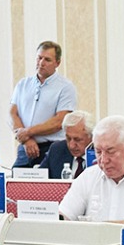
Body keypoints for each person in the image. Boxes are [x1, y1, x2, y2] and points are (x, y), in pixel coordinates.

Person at [8, 40, 77, 168]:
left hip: (52, 148)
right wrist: (27, 139)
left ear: (57, 63)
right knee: (16, 179)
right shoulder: (23, 84)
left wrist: (28, 132)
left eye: (47, 59)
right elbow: (13, 113)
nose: (41, 63)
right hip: (26, 146)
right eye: (39, 58)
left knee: (50, 181)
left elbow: (59, 121)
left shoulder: (66, 87)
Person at [40, 111, 96, 179]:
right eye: (68, 138)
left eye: (77, 140)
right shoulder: (57, 150)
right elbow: (39, 179)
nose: (71, 146)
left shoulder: (101, 154)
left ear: (91, 137)